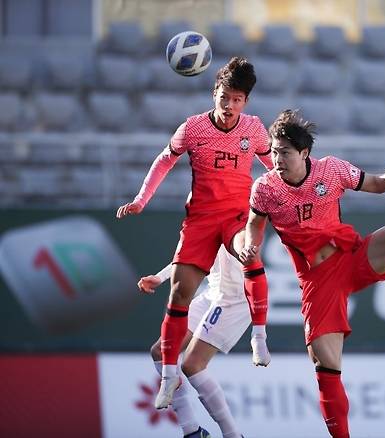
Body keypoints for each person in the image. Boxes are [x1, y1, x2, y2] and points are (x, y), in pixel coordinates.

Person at [240, 109, 385, 438]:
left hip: (351, 257)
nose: (277, 159)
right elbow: (252, 228)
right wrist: (249, 245)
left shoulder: (332, 169)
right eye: (273, 152)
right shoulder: (265, 189)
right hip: (317, 280)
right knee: (325, 363)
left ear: (304, 153)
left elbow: (378, 185)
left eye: (284, 152)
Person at [116, 56, 273, 410]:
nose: (230, 105)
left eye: (237, 99)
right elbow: (164, 160)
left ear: (245, 101)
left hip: (236, 215)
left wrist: (294, 189)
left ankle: (259, 337)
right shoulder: (193, 128)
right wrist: (142, 200)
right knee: (179, 293)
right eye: (225, 97)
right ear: (214, 92)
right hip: (201, 220)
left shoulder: (254, 129)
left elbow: (274, 166)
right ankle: (169, 377)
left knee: (249, 251)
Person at [140, 245, 247, 438]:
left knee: (192, 364)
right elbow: (190, 252)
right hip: (212, 293)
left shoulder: (240, 215)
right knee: (160, 352)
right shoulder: (203, 218)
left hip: (234, 298)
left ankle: (232, 434)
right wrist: (160, 277)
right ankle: (191, 431)